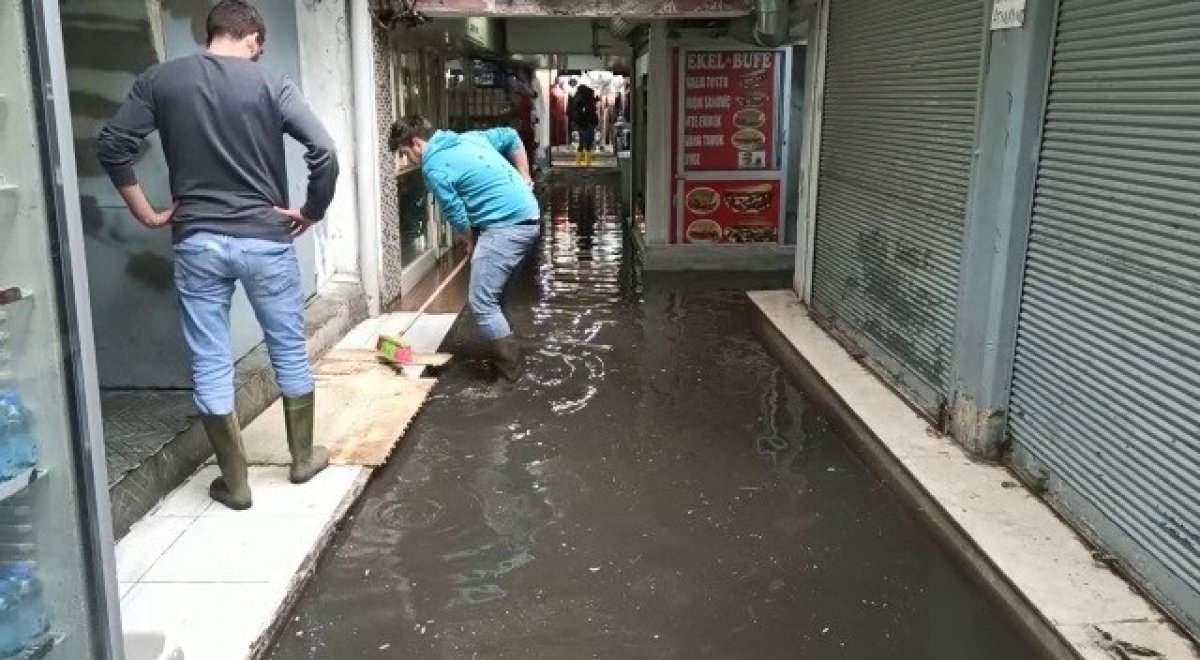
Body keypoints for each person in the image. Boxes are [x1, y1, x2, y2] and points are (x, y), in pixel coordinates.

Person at [96, 0, 339, 511]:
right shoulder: (272, 84)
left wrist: (147, 213)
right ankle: (300, 460)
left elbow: (113, 144)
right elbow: (324, 151)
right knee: (288, 347)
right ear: (251, 38)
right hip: (265, 237)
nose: (257, 56)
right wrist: (311, 210)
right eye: (259, 48)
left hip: (197, 239)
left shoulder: (160, 80)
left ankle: (236, 482)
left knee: (210, 358)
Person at [388, 116, 539, 387]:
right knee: (495, 296)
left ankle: (510, 376)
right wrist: (525, 175)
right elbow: (510, 135)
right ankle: (503, 356)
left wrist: (470, 241)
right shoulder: (468, 138)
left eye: (404, 154)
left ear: (417, 144)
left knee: (482, 303)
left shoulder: (432, 166)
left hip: (504, 227)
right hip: (528, 217)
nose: (404, 161)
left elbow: (455, 211)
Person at [572, 83, 600, 166]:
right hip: (588, 123)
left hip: (583, 123)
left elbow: (578, 110)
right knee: (588, 142)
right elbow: (589, 110)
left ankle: (580, 162)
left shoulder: (579, 98)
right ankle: (587, 163)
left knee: (583, 142)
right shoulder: (587, 99)